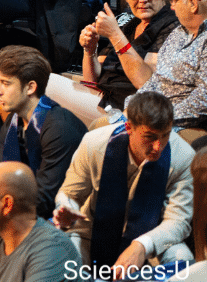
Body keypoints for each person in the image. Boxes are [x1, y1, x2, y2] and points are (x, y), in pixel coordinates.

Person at [54, 90, 194, 272]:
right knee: (62, 258)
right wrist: (67, 207)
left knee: (182, 260)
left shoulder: (183, 157)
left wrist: (142, 245)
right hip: (92, 232)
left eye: (165, 135)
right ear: (129, 128)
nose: (158, 147)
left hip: (152, 239)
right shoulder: (94, 143)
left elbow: (178, 221)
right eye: (150, 137)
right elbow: (70, 193)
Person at [0, 46, 86, 219]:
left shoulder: (59, 128)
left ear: (30, 87)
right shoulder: (12, 122)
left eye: (6, 83)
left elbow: (47, 198)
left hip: (61, 221)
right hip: (22, 210)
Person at [80, 0, 178, 111]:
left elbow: (147, 84)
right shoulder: (129, 26)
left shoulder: (170, 25)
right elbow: (93, 80)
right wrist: (89, 50)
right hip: (102, 101)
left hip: (129, 108)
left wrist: (114, 34)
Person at [125, 0, 207, 130]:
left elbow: (203, 98)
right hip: (152, 118)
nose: (171, 6)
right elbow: (156, 80)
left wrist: (156, 119)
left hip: (179, 126)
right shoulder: (178, 33)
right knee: (104, 128)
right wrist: (133, 107)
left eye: (174, 0)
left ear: (192, 3)